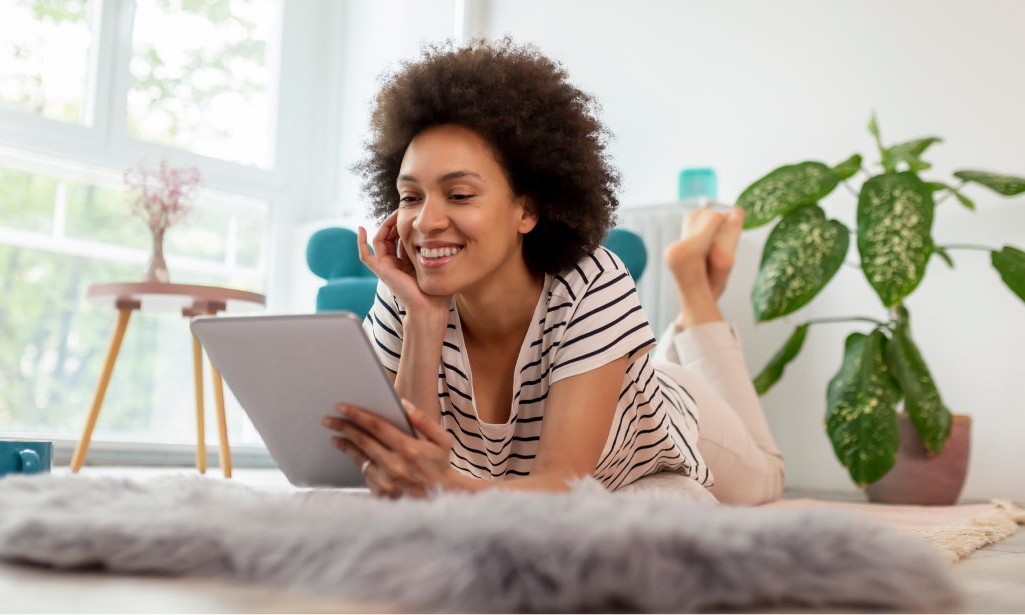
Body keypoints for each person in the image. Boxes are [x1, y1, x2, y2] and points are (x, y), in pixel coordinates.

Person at [321, 38, 784, 505]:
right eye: (410, 197)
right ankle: (671, 330)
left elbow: (562, 485)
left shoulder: (592, 281)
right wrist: (423, 317)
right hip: (602, 370)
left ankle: (695, 294)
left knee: (768, 479)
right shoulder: (405, 295)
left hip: (669, 420)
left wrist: (445, 486)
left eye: (459, 195)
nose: (424, 221)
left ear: (527, 210)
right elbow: (404, 474)